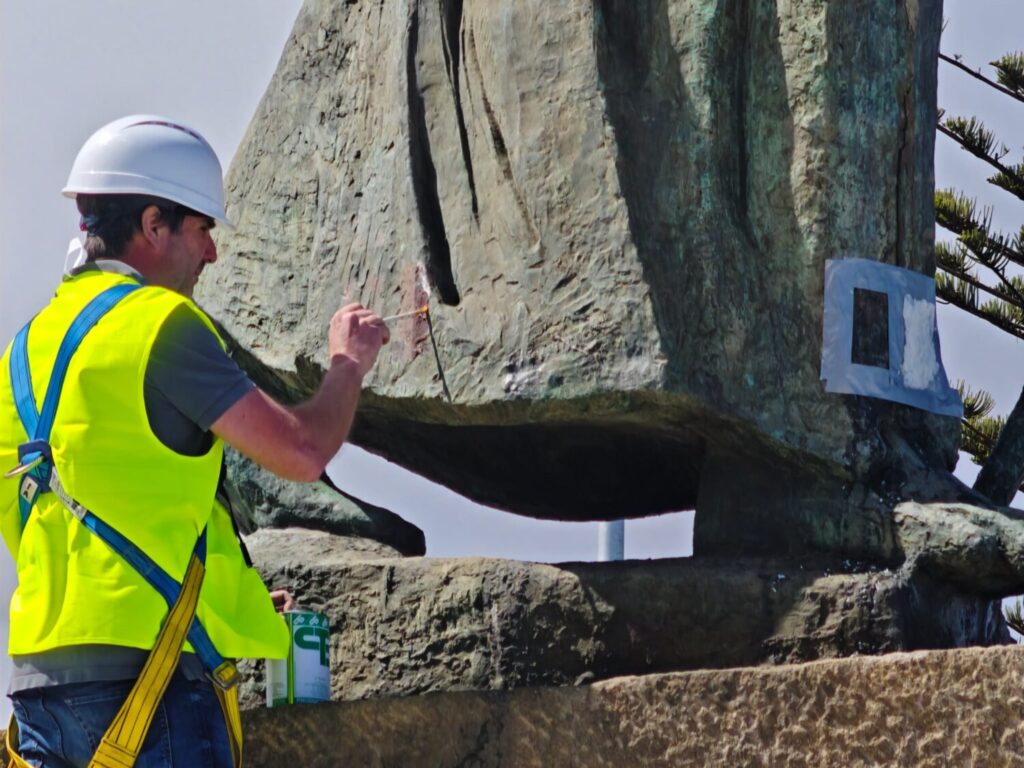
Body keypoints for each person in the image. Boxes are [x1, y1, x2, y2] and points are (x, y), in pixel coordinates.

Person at [0, 115, 389, 767]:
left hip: (40, 688)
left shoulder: (25, 349)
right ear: (153, 224)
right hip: (149, 686)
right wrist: (348, 364)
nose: (212, 252)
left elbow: (54, 513)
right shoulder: (163, 325)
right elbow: (300, 451)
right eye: (202, 228)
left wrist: (220, 601)